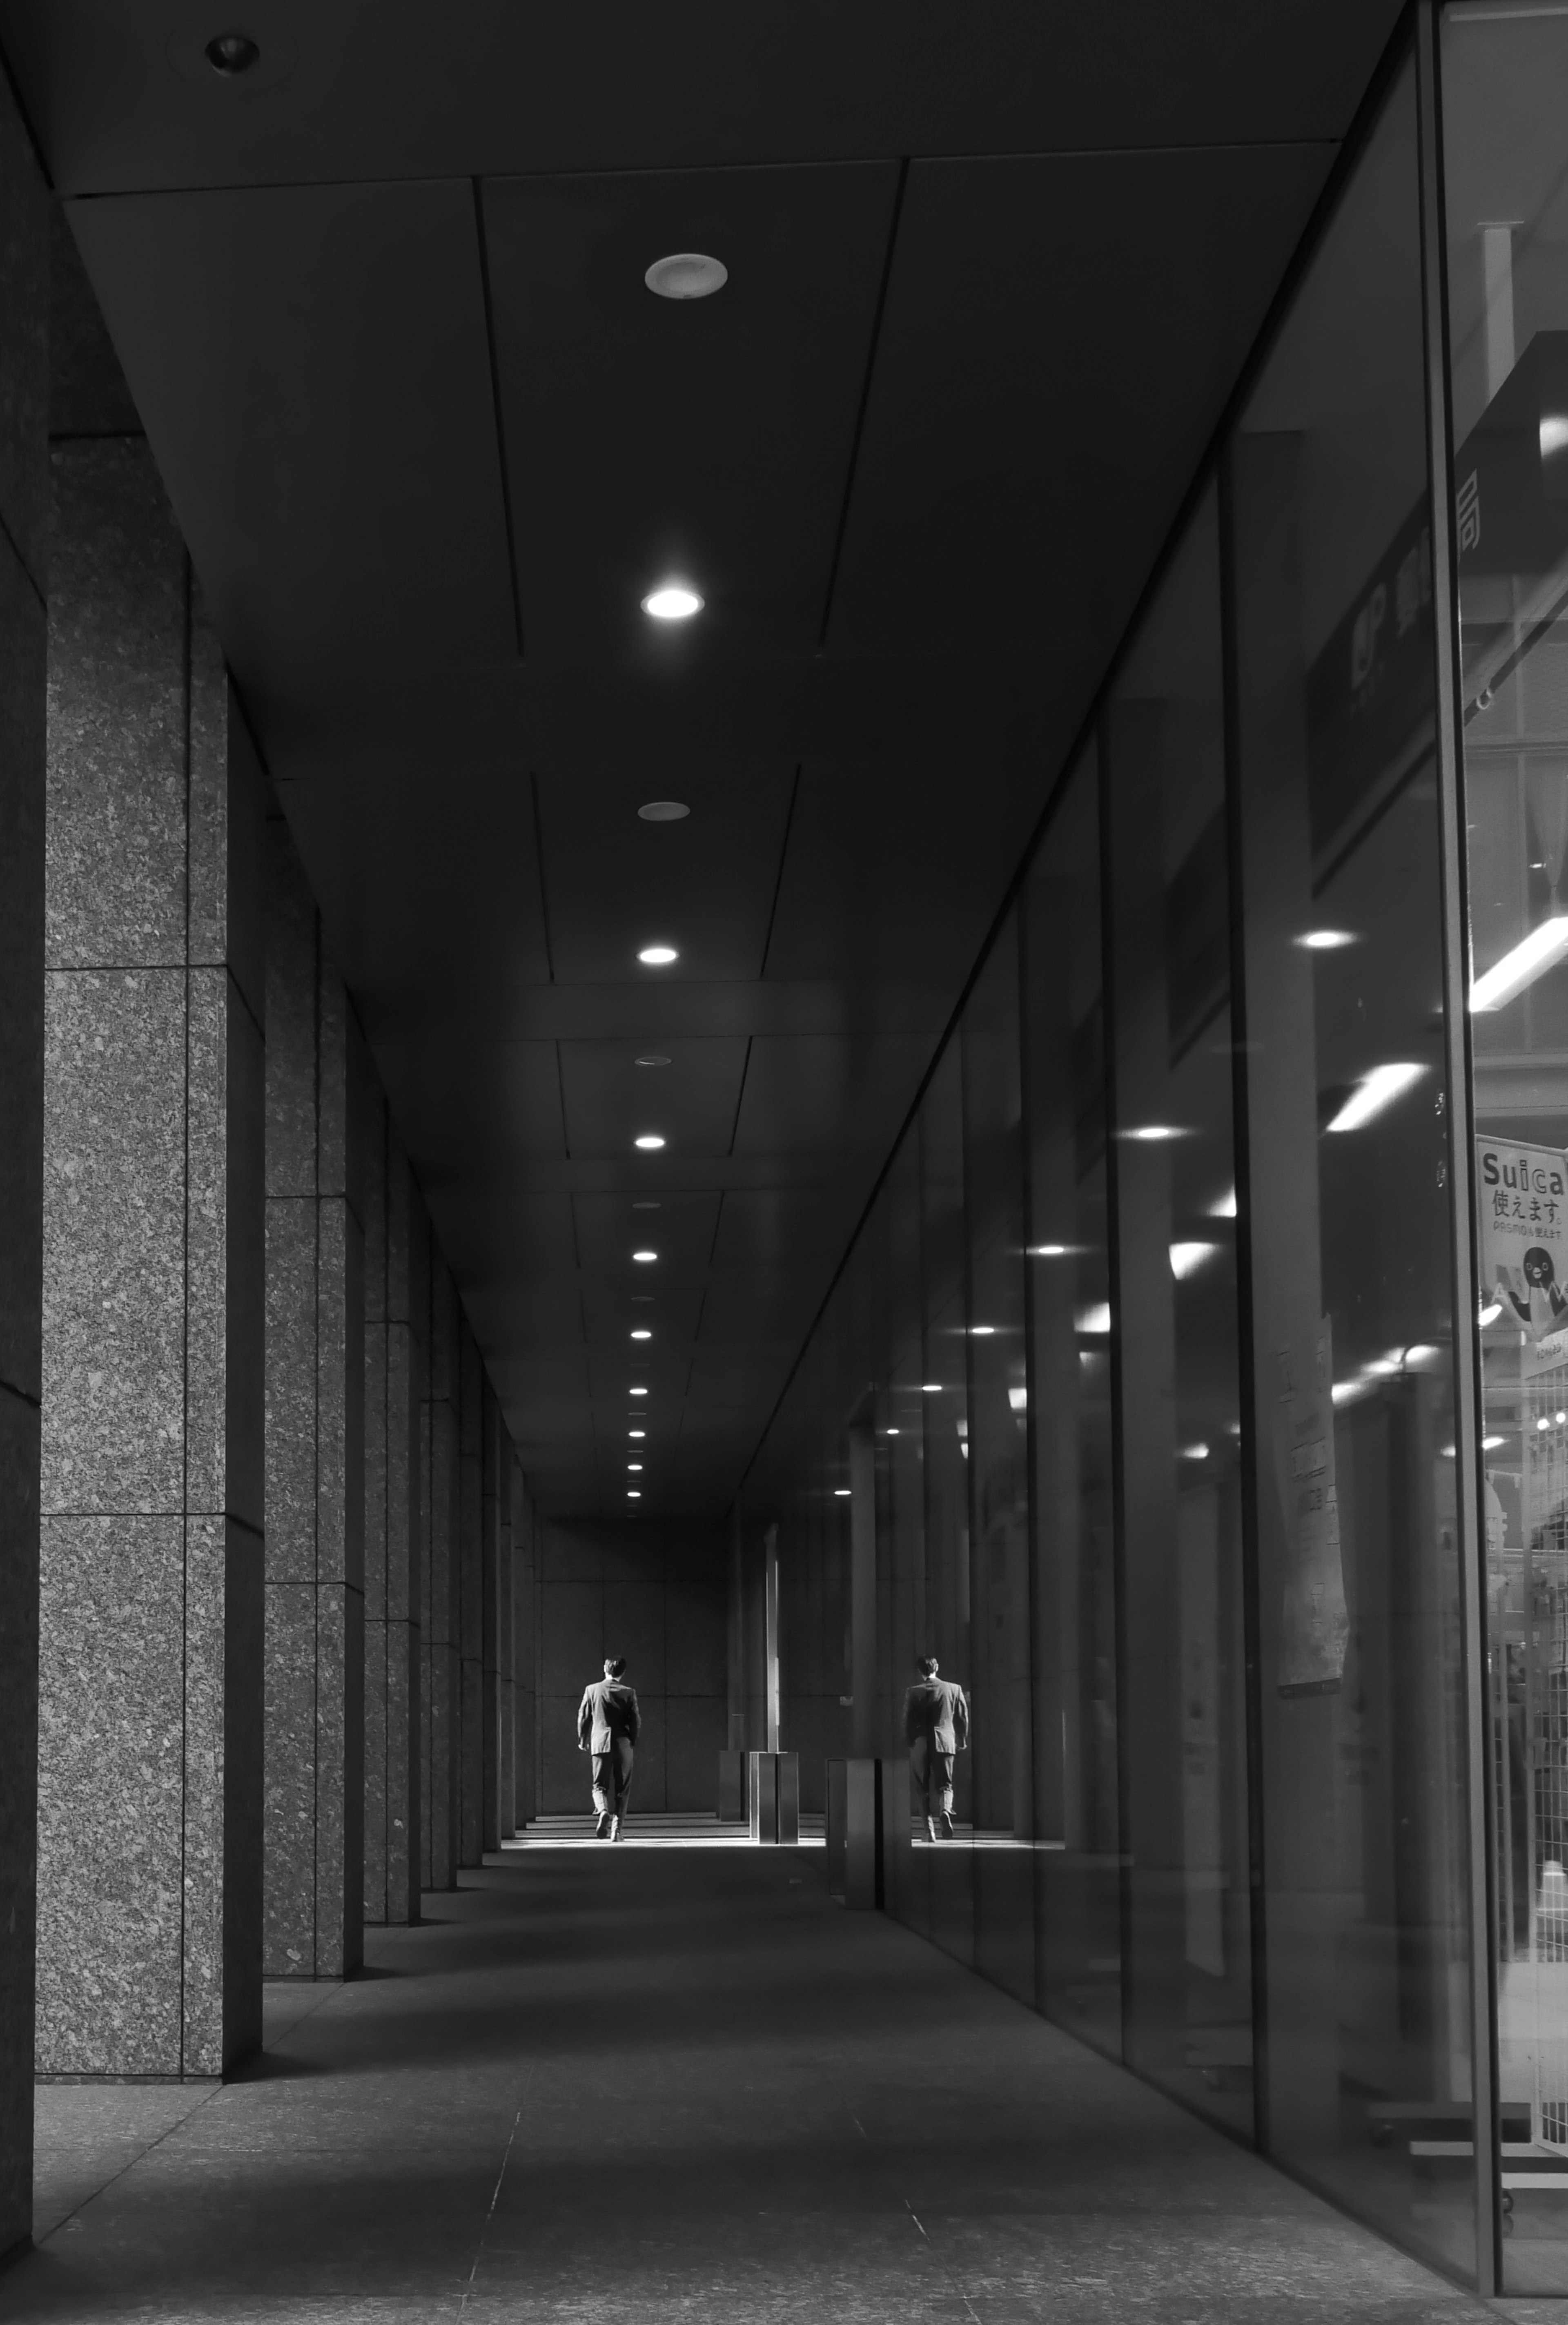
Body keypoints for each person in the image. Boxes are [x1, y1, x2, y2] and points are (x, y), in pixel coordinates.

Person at [903, 1654, 969, 1842]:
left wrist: (910, 1741)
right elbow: (963, 1717)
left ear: (920, 1672)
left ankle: (929, 1832)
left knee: (922, 1789)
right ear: (937, 1667)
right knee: (946, 1785)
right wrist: (962, 1739)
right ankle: (945, 1811)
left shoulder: (913, 1692)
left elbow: (907, 1720)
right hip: (945, 1742)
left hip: (921, 1744)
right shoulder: (954, 1689)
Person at [577, 1656, 640, 1840]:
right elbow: (636, 1720)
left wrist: (583, 1739)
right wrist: (632, 1741)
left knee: (599, 1786)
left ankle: (603, 1811)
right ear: (623, 1673)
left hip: (600, 1743)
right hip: (623, 1744)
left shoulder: (592, 1690)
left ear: (605, 1669)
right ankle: (616, 1831)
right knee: (623, 1790)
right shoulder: (629, 1692)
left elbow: (583, 1717)